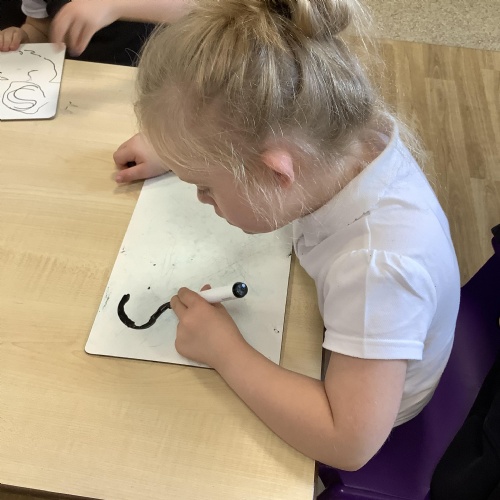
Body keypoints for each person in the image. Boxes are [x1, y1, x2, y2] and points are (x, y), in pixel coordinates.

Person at [113, 0, 461, 470]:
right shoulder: (340, 135)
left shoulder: (377, 270)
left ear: (277, 174)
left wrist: (226, 352)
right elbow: (243, 132)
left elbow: (348, 443)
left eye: (205, 186)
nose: (200, 198)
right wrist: (185, 150)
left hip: (367, 414)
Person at [0, 0, 190, 65]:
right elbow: (39, 26)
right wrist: (24, 37)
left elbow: (197, 9)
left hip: (148, 83)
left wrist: (115, 6)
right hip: (76, 87)